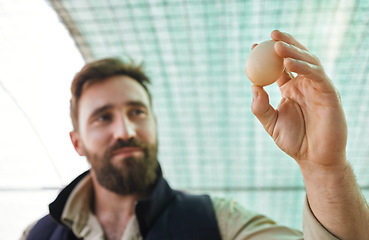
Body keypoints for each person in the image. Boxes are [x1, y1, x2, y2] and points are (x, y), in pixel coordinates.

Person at [21, 30, 369, 240]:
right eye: (102, 117)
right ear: (77, 142)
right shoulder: (37, 235)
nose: (124, 130)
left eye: (136, 112)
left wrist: (324, 170)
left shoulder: (218, 222)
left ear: (154, 123)